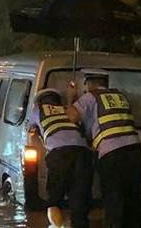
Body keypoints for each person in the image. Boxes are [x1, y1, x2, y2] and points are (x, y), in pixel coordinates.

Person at [66, 69, 141, 228]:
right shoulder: (120, 96)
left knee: (114, 205)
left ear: (89, 84)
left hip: (113, 156)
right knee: (133, 206)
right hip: (136, 153)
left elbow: (72, 116)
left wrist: (71, 98)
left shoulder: (91, 96)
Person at [27, 88, 93, 228]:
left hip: (59, 154)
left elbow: (30, 132)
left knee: (53, 200)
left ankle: (58, 227)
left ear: (39, 102)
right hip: (83, 153)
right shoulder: (68, 109)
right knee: (79, 201)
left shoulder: (38, 110)